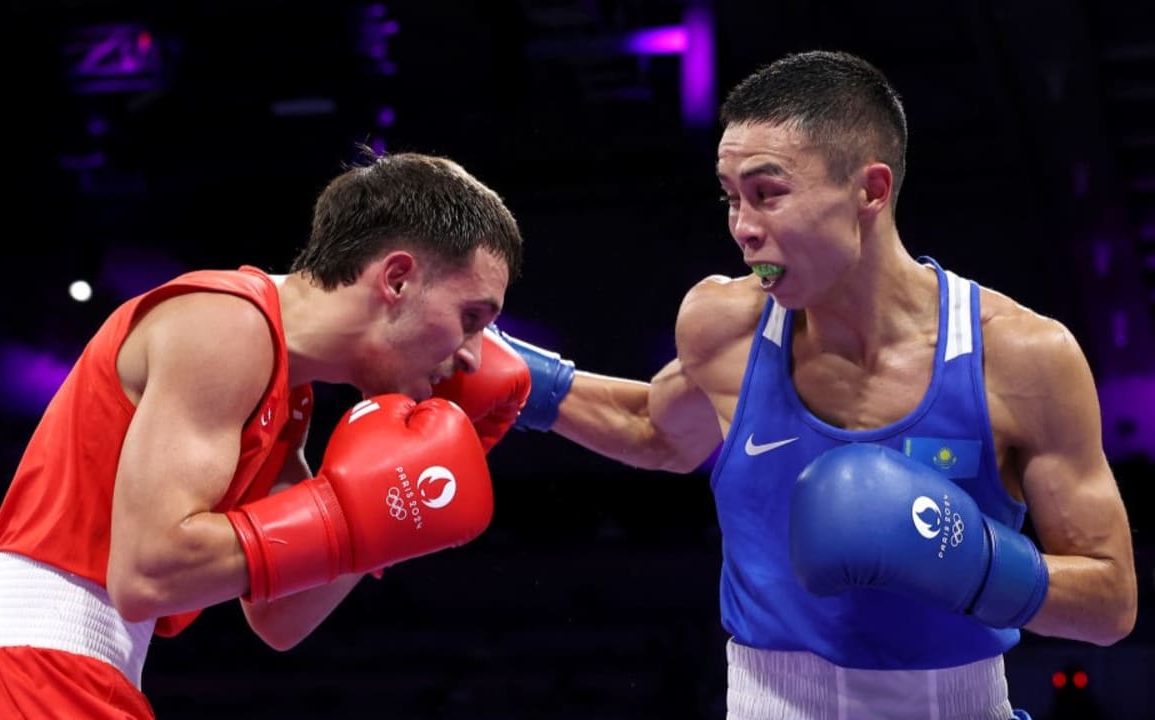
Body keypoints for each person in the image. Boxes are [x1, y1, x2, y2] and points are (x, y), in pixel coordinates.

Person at [481, 50, 1139, 718]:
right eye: (731, 197)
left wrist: (973, 566)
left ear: (871, 191)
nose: (742, 226)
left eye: (768, 193)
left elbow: (1112, 603)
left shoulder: (1022, 357)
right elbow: (658, 431)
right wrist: (523, 383)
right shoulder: (723, 324)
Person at [0, 149, 533, 719]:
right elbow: (149, 573)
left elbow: (279, 618)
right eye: (471, 317)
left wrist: (394, 513)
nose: (474, 357)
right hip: (28, 674)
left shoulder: (287, 392)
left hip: (69, 675)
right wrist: (346, 516)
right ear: (397, 279)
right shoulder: (228, 325)